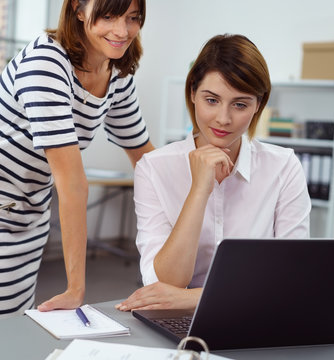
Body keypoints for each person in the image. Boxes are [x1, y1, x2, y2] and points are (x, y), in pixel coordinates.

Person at [0, 0, 154, 326]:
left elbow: (147, 160)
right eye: (108, 15)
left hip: (28, 208)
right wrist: (76, 288)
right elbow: (73, 183)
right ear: (78, 9)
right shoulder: (46, 64)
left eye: (132, 18)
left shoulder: (116, 73)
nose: (122, 31)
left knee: (11, 321)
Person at [115, 34, 311, 312]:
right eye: (212, 100)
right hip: (176, 318)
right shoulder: (154, 168)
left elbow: (292, 279)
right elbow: (166, 281)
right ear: (193, 92)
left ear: (258, 105)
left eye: (240, 104)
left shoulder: (284, 166)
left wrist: (192, 298)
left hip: (255, 315)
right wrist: (199, 190)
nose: (223, 118)